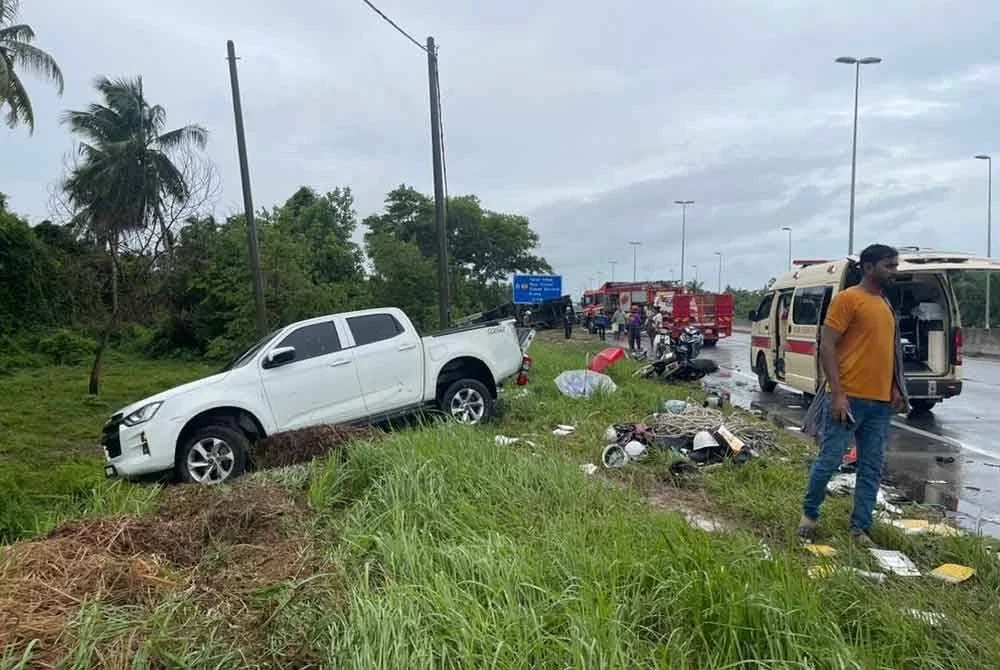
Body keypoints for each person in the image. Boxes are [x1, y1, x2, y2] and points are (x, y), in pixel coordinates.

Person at [799, 244, 909, 546]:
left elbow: (889, 353)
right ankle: (809, 516)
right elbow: (827, 345)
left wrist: (896, 387)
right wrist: (837, 394)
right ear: (869, 267)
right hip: (849, 400)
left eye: (895, 265)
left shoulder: (885, 304)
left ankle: (860, 528)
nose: (894, 271)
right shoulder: (848, 300)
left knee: (871, 467)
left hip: (881, 405)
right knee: (829, 461)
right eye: (889, 265)